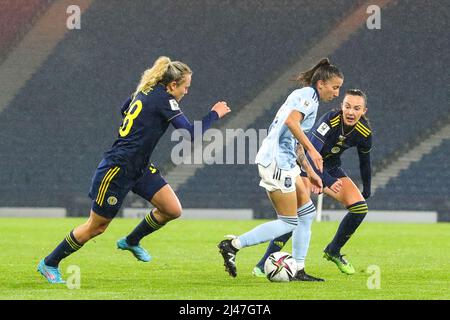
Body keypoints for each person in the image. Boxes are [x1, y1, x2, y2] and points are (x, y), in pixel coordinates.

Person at [37, 56, 231, 284]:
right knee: (96, 228)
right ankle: (49, 262)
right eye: (186, 87)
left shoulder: (145, 92)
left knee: (172, 209)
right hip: (117, 169)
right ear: (172, 85)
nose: (186, 92)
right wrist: (214, 114)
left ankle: (131, 241)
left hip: (138, 168)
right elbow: (190, 134)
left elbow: (124, 109)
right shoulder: (165, 100)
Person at [218, 58, 344, 281]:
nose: (336, 93)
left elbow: (294, 142)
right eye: (335, 87)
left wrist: (312, 173)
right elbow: (291, 123)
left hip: (286, 162)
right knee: (288, 221)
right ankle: (233, 245)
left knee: (306, 214)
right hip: (276, 162)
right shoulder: (307, 97)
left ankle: (298, 269)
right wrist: (313, 151)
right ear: (321, 83)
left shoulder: (308, 98)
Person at [252, 89, 372, 277]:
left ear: (364, 111)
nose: (350, 112)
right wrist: (325, 180)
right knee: (296, 216)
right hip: (306, 167)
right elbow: (309, 153)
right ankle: (262, 263)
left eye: (356, 108)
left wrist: (367, 188)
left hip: (331, 169)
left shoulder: (364, 132)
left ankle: (333, 250)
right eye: (347, 106)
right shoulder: (330, 120)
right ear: (341, 106)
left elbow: (365, 161)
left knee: (360, 208)